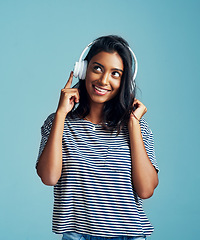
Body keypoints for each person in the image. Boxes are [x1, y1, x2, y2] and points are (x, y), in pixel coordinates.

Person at [36, 35, 159, 240]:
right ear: (83, 70)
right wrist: (60, 114)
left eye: (115, 74)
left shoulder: (136, 126)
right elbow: (49, 178)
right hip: (77, 235)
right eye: (97, 68)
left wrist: (134, 124)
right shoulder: (58, 123)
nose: (103, 81)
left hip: (128, 236)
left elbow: (146, 190)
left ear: (124, 81)